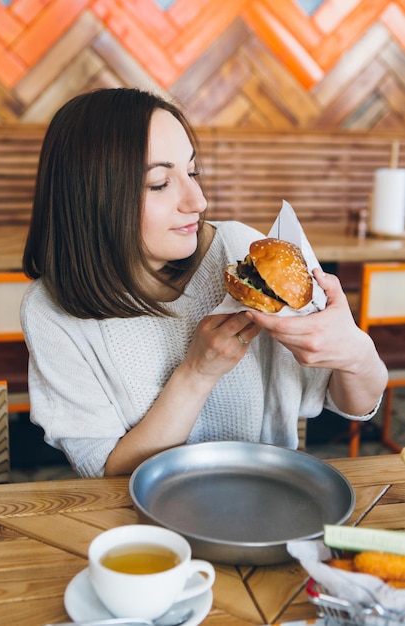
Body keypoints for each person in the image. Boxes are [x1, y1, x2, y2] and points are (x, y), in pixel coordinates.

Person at [20, 88, 388, 478]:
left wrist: (355, 352)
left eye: (192, 172)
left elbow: (353, 404)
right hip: (143, 521)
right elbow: (104, 474)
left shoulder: (247, 253)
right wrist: (197, 373)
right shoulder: (51, 311)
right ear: (90, 196)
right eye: (160, 183)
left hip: (266, 496)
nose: (197, 201)